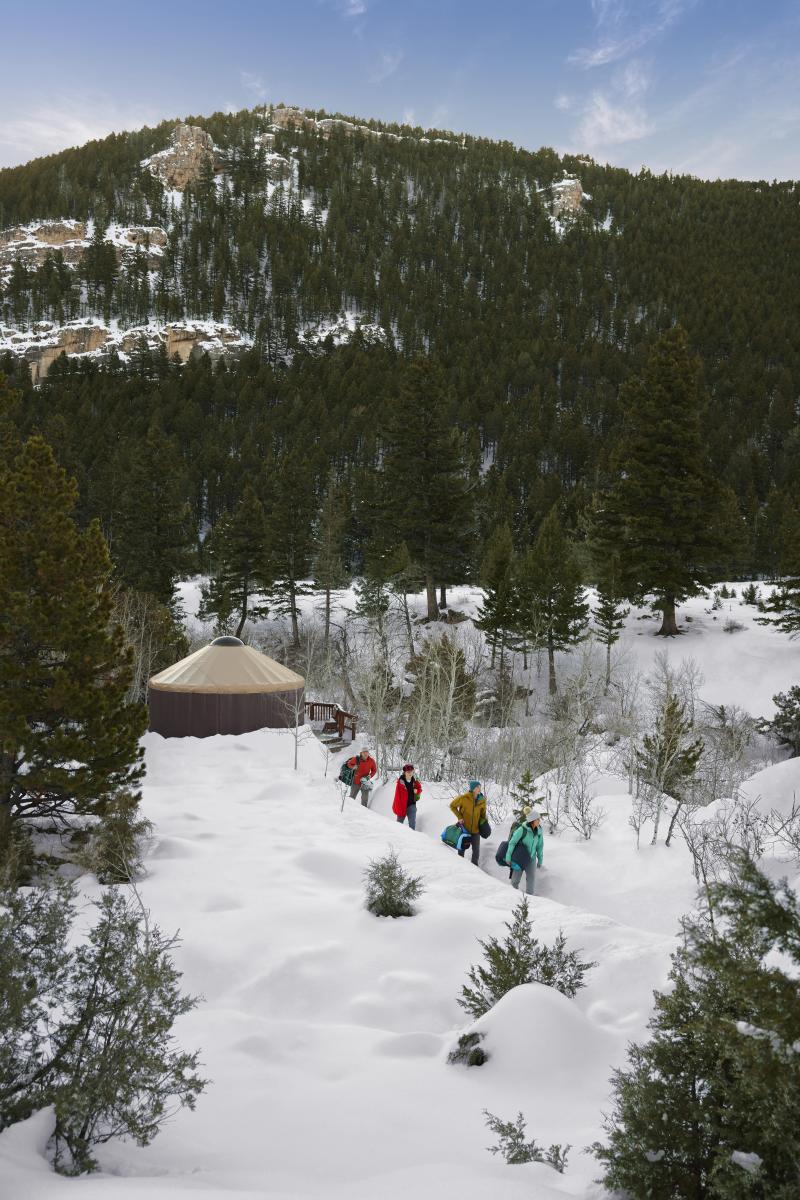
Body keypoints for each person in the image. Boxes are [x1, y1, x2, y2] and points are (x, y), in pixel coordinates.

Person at [505, 807, 544, 895]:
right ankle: (512, 897)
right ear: (532, 820)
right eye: (537, 819)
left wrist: (540, 860)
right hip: (520, 859)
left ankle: (529, 901)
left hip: (531, 859)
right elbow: (512, 843)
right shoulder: (522, 830)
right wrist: (508, 856)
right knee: (515, 881)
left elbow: (540, 846)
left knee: (531, 881)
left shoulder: (539, 831)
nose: (539, 821)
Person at [449, 780, 487, 866]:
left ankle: (474, 868)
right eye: (477, 787)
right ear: (473, 788)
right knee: (462, 849)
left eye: (479, 786)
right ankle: (460, 865)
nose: (479, 788)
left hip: (476, 830)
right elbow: (452, 806)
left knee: (476, 851)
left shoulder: (482, 800)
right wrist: (459, 817)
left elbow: (483, 814)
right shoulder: (463, 798)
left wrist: (484, 824)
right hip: (464, 829)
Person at [393, 763, 422, 829]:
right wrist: (398, 808)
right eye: (408, 772)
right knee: (398, 825)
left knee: (412, 824)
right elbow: (397, 797)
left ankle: (412, 837)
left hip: (412, 805)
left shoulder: (414, 781)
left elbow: (419, 788)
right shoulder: (400, 783)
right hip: (402, 806)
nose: (410, 773)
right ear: (405, 772)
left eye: (411, 772)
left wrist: (417, 791)